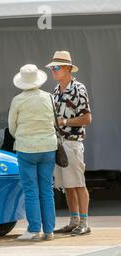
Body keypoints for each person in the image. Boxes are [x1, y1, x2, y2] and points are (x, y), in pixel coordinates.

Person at [8, 64, 57, 241]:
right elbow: (54, 120)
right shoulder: (49, 97)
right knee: (47, 190)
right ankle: (49, 230)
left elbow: (12, 127)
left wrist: (23, 136)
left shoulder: (18, 100)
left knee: (30, 190)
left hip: (26, 148)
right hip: (49, 147)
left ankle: (34, 229)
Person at [46, 51, 93, 236]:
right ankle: (74, 221)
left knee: (78, 183)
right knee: (67, 185)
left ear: (67, 69)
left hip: (72, 142)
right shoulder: (56, 91)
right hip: (60, 143)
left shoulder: (78, 88)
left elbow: (88, 118)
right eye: (52, 68)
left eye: (56, 67)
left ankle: (84, 222)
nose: (53, 71)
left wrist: (64, 122)